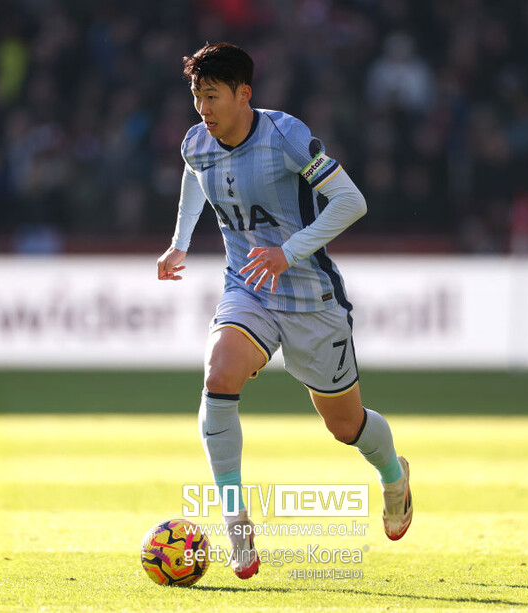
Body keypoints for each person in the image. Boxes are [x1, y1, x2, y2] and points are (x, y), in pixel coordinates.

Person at [156, 42, 412, 580]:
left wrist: (288, 252)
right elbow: (193, 173)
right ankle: (235, 520)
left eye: (212, 96)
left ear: (243, 94)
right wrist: (180, 242)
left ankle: (394, 476)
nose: (203, 108)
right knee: (219, 375)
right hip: (248, 287)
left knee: (345, 425)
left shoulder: (286, 136)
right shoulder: (196, 142)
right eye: (197, 96)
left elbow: (352, 202)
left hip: (310, 297)